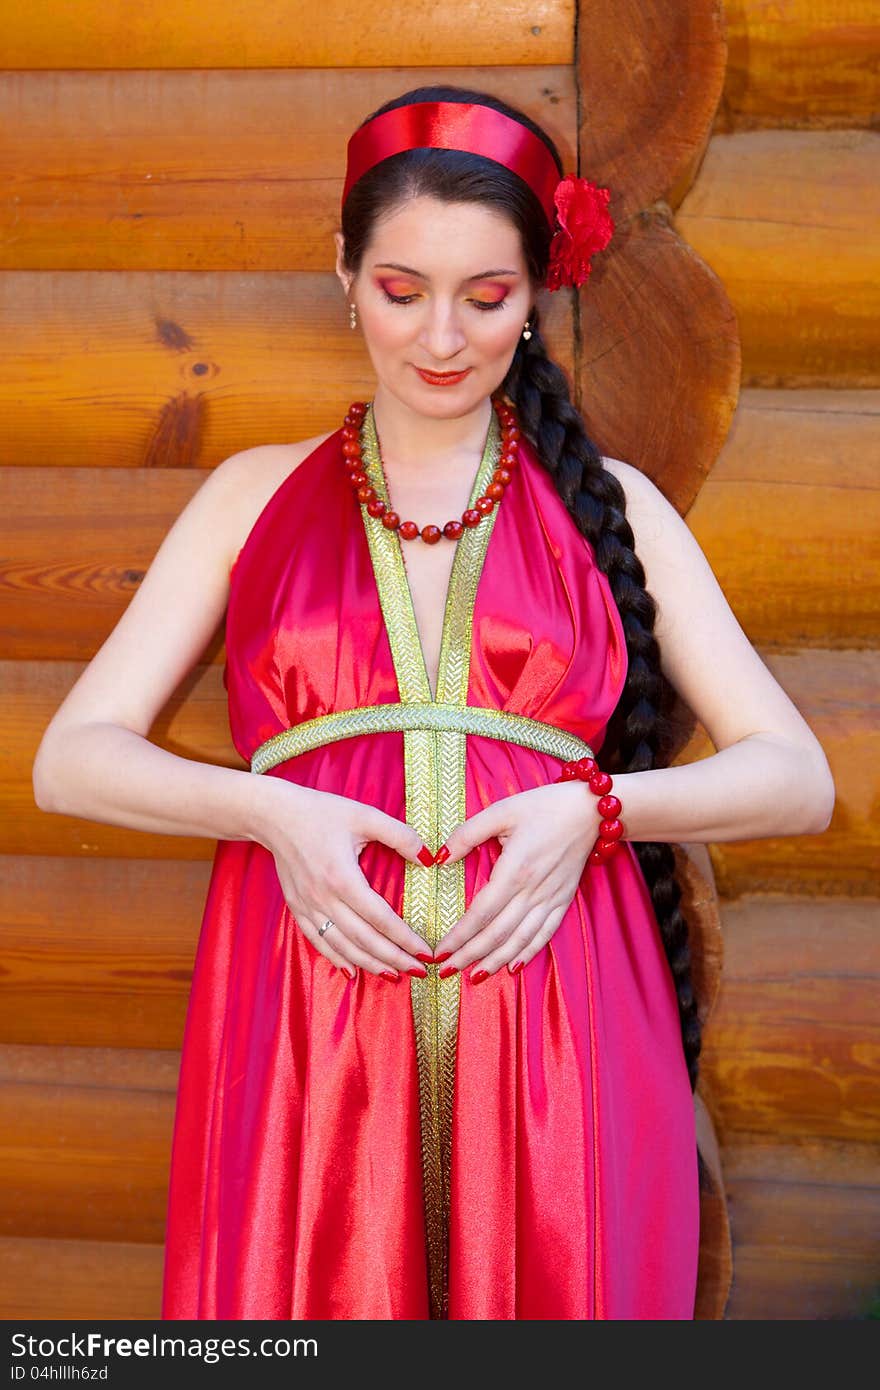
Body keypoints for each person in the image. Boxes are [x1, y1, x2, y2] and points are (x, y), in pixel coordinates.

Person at [31, 85, 835, 1322]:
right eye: (402, 291)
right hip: (304, 998)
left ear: (539, 292)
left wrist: (596, 811)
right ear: (343, 271)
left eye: (489, 295)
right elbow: (71, 758)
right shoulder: (254, 496)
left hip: (562, 997)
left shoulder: (611, 504)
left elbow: (795, 776)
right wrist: (271, 815)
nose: (443, 339)